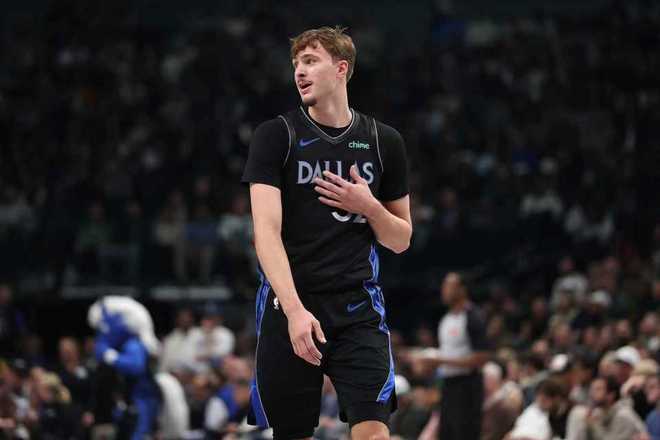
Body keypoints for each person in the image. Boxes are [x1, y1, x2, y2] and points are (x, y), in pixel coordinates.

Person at [241, 26, 411, 439]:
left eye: (310, 61)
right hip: (291, 304)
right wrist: (295, 310)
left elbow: (400, 240)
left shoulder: (383, 141)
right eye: (296, 63)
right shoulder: (276, 136)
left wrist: (368, 206)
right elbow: (265, 234)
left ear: (341, 69)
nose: (299, 71)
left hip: (358, 307)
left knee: (374, 431)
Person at [416, 272, 491, 440]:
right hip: (448, 385)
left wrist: (440, 360)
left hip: (468, 386)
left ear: (462, 289)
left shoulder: (473, 316)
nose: (444, 290)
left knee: (464, 434)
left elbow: (482, 358)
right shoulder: (446, 320)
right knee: (447, 434)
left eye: (449, 286)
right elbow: (448, 354)